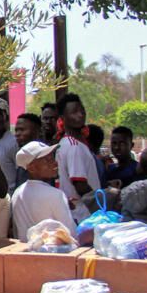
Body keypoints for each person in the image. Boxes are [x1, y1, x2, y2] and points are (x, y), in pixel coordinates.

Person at [10, 141, 76, 236]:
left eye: (52, 158)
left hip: (24, 249)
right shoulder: (56, 195)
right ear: (32, 168)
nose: (54, 163)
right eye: (47, 160)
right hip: (51, 250)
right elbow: (71, 235)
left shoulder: (17, 193)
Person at [54, 93, 101, 222]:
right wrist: (100, 207)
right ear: (63, 118)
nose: (80, 114)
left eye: (82, 110)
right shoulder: (73, 146)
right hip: (83, 214)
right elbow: (80, 184)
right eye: (74, 112)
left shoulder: (67, 143)